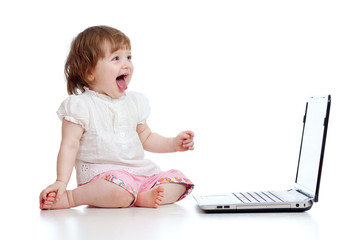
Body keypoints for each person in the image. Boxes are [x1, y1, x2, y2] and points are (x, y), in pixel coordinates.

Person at [39, 26, 194, 210]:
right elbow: (69, 145)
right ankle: (72, 198)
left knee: (179, 181)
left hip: (139, 173)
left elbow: (146, 137)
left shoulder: (135, 102)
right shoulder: (81, 106)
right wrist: (61, 181)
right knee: (118, 192)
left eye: (129, 57)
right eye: (116, 58)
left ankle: (140, 197)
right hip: (104, 177)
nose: (126, 64)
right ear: (90, 72)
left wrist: (173, 144)